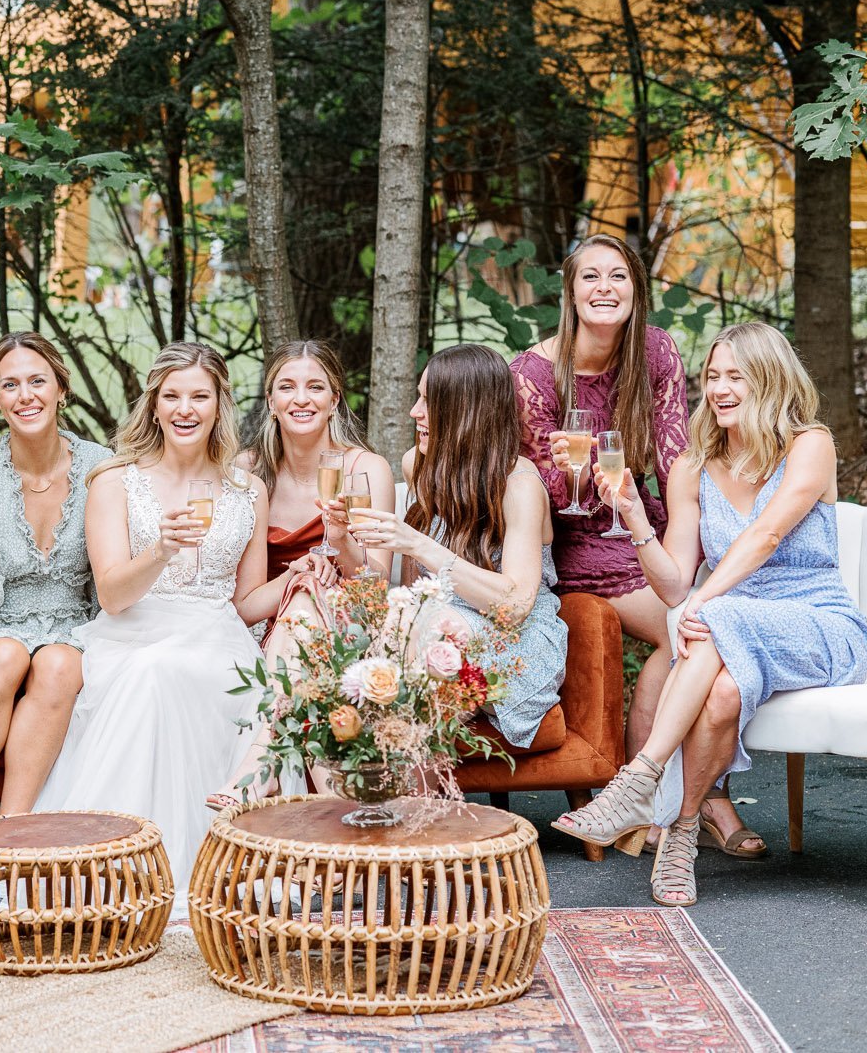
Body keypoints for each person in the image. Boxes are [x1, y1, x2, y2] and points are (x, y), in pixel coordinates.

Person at [553, 322, 867, 906]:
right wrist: (633, 517)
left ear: (770, 381)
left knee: (713, 619)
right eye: (712, 376)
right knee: (722, 694)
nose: (720, 389)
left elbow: (768, 536)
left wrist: (707, 601)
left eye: (737, 377)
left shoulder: (810, 444)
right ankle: (681, 836)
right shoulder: (692, 469)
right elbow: (676, 584)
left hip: (819, 624)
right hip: (735, 630)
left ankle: (640, 779)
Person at [512, 236, 761, 855]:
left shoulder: (656, 351)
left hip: (646, 525)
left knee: (686, 637)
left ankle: (662, 798)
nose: (604, 288)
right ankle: (702, 801)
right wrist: (591, 480)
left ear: (635, 288)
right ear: (569, 292)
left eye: (618, 276)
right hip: (576, 540)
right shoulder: (532, 374)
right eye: (590, 276)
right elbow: (536, 483)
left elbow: (677, 452)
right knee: (692, 631)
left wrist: (690, 528)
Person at [32, 342, 275, 917]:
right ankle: (119, 874)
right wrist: (161, 550)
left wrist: (298, 583)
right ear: (154, 404)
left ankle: (211, 871)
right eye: (172, 396)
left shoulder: (248, 491)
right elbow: (113, 595)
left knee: (227, 679)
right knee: (153, 672)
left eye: (199, 396)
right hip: (132, 632)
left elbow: (244, 601)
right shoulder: (114, 482)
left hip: (218, 632)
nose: (185, 409)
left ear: (220, 404)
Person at [348, 343, 568, 753]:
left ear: (466, 412)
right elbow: (417, 586)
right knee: (404, 624)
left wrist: (417, 543)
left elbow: (516, 604)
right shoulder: (419, 462)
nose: (415, 412)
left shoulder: (519, 485)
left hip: (516, 641)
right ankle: (402, 779)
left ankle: (398, 785)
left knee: (427, 630)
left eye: (429, 402)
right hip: (440, 623)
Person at [0, 333, 108, 819]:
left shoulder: (101, 469)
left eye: (37, 381)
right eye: (10, 385)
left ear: (60, 390)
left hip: (75, 624)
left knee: (59, 666)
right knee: (6, 655)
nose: (25, 395)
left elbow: (111, 577)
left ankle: (11, 830)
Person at [212, 339, 396, 808]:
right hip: (271, 627)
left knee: (312, 596)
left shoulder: (365, 469)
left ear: (335, 399)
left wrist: (341, 542)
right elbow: (247, 604)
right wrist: (298, 574)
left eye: (316, 387)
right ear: (270, 401)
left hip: (354, 626)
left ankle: (262, 765)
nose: (301, 399)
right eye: (287, 387)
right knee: (305, 592)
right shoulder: (247, 473)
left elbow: (376, 593)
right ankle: (290, 791)